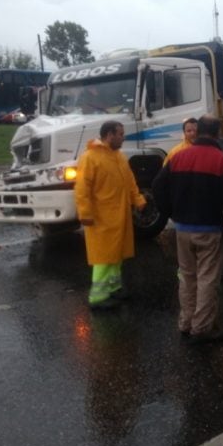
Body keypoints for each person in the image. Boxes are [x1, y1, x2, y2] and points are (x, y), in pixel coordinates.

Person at [152, 114, 223, 344]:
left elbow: (157, 186)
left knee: (187, 276)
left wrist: (170, 212)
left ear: (199, 130)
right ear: (217, 134)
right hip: (210, 229)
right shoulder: (222, 161)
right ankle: (202, 327)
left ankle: (186, 322)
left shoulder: (178, 157)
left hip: (182, 228)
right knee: (207, 278)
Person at [75, 120, 147, 310]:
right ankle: (98, 297)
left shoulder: (119, 157)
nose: (123, 138)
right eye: (120, 134)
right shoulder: (90, 157)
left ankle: (114, 287)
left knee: (117, 254)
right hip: (101, 217)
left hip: (119, 215)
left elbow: (129, 181)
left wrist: (138, 200)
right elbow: (82, 188)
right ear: (109, 135)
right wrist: (85, 213)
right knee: (104, 257)